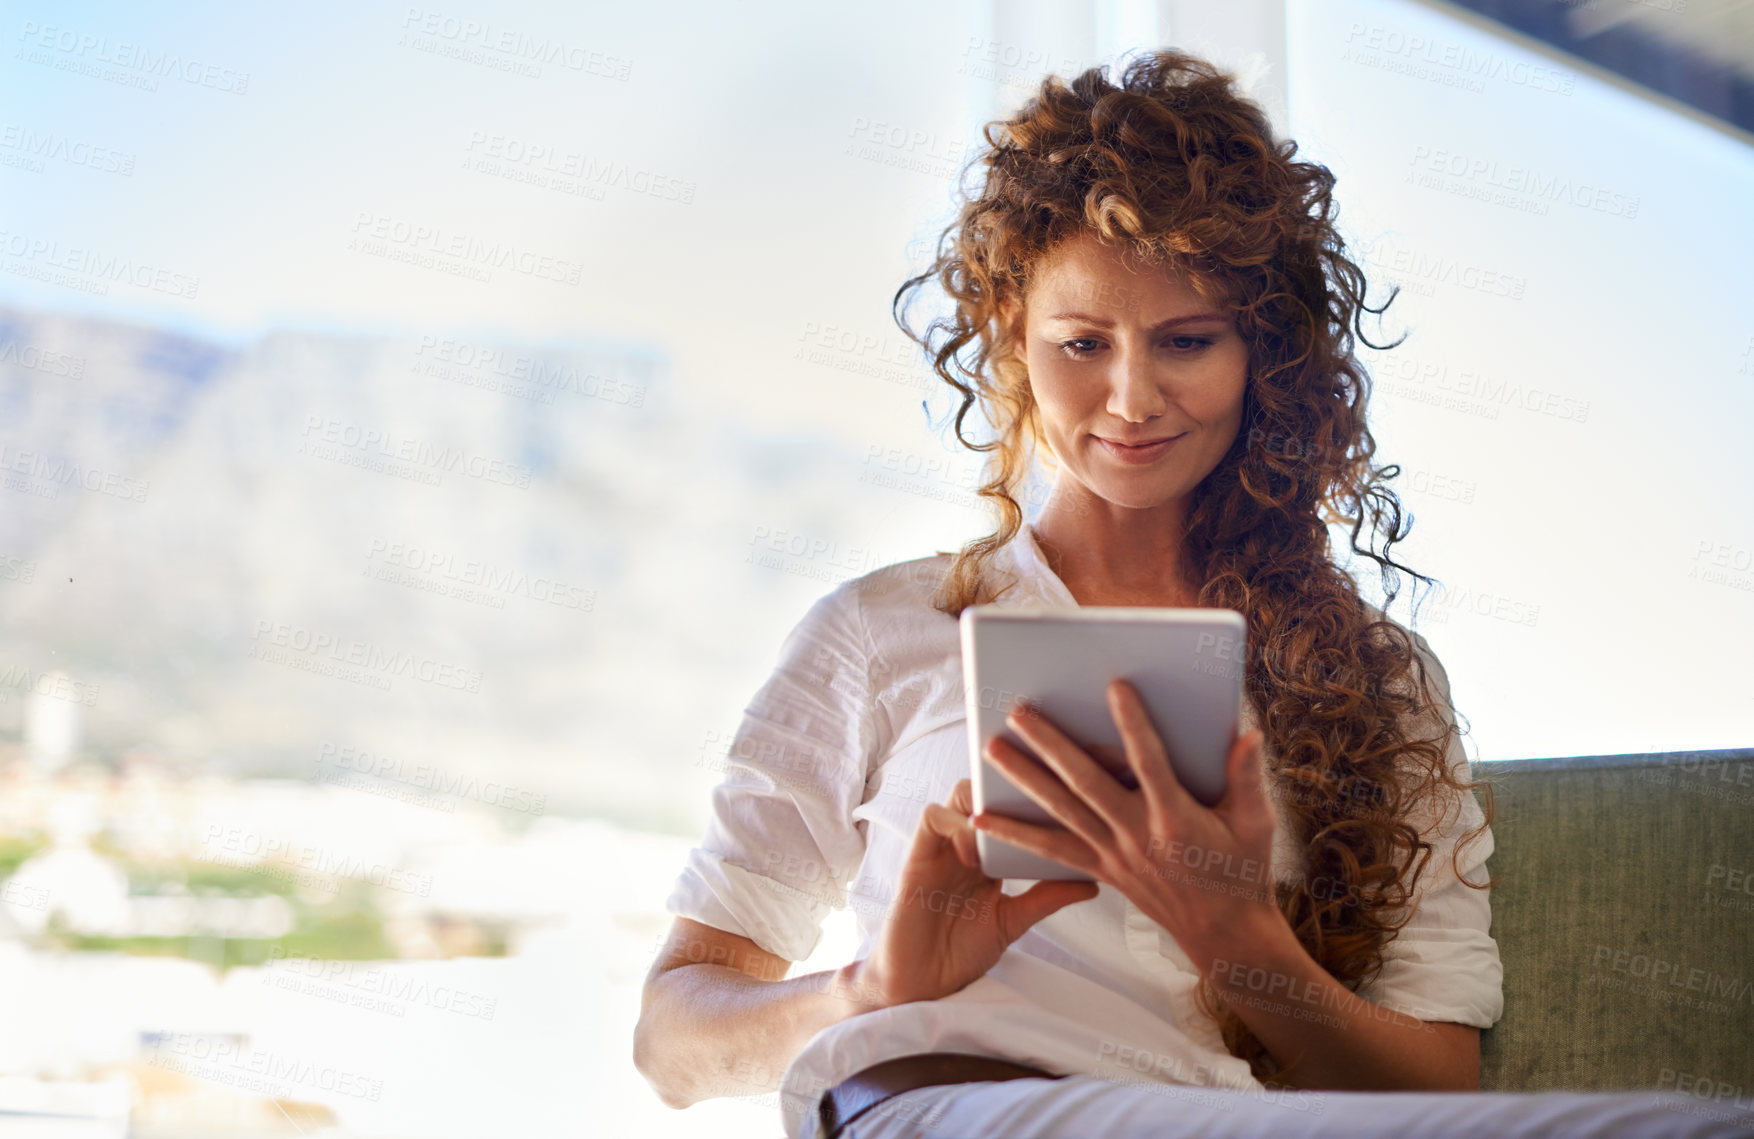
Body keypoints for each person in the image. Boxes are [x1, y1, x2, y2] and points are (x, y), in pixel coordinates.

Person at [633, 49, 1750, 1139]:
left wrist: (1233, 933)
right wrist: (871, 986)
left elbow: (1435, 1088)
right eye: (1080, 342)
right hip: (938, 1104)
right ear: (1013, 346)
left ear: (1262, 354)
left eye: (1184, 340)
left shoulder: (1378, 678)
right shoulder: (884, 632)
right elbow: (672, 1043)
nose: (1129, 398)